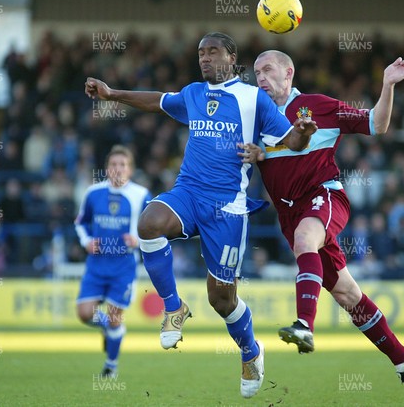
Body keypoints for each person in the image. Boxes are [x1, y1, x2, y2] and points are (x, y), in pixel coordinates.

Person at [84, 32, 316, 398]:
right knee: (148, 223)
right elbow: (157, 102)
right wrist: (113, 94)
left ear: (232, 56)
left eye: (213, 52)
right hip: (188, 193)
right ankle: (174, 308)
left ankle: (251, 352)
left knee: (222, 300)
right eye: (200, 53)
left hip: (227, 208)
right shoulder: (193, 93)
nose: (205, 58)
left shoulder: (253, 99)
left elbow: (291, 140)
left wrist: (302, 133)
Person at [242, 50, 404, 406]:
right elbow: (255, 153)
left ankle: (304, 325)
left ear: (288, 72)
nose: (260, 77)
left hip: (324, 196)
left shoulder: (317, 106)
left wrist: (388, 84)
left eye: (267, 70)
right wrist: (256, 155)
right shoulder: (254, 115)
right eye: (256, 72)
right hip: (289, 213)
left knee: (304, 240)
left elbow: (377, 124)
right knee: (347, 296)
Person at [74, 145, 152, 378]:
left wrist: (138, 240)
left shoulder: (141, 195)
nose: (118, 169)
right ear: (107, 168)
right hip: (96, 264)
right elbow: (80, 222)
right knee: (84, 313)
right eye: (114, 164)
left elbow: (153, 229)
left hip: (123, 266)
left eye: (123, 165)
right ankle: (109, 328)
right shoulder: (93, 193)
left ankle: (111, 366)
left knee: (116, 317)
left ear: (131, 169)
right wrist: (86, 241)